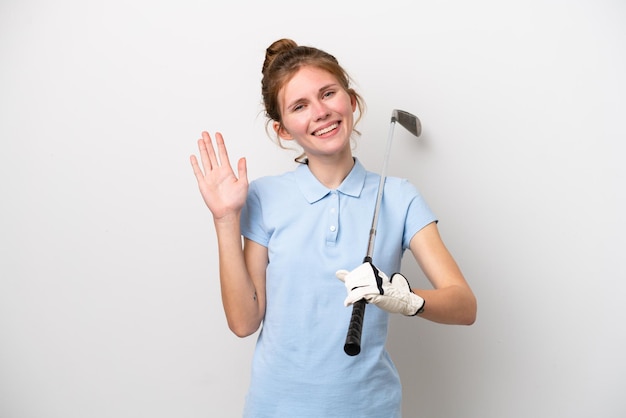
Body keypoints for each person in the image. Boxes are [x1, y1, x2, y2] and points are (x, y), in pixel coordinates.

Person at [190, 38, 477, 418]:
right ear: (283, 130)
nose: (321, 112)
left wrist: (407, 299)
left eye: (328, 94)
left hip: (370, 409)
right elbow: (244, 322)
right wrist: (225, 220)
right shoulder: (263, 197)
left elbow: (464, 305)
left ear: (351, 101)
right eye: (299, 106)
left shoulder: (399, 197)